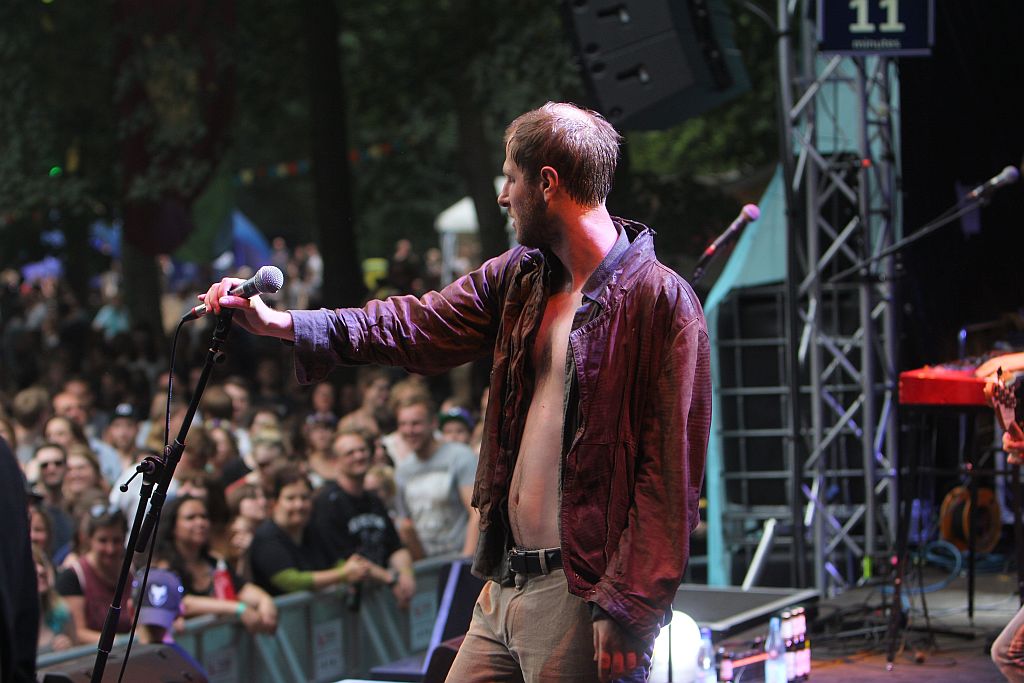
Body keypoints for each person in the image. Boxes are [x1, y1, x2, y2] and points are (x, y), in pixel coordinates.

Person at [199, 102, 711, 682]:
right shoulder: (521, 276)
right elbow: (415, 324)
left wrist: (628, 607)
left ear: (547, 183)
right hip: (504, 582)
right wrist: (285, 325)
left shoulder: (659, 302)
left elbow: (669, 479)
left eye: (510, 179)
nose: (503, 196)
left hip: (581, 593)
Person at [310, 429, 416, 606]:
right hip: (347, 603)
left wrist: (406, 573)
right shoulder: (327, 502)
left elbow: (395, 546)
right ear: (335, 461)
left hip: (382, 597)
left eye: (362, 450)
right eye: (350, 453)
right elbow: (345, 559)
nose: (359, 456)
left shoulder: (373, 499)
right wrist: (390, 580)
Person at [250, 464, 372, 596]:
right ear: (274, 503)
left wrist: (355, 568)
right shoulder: (265, 537)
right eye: (290, 498)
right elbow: (290, 580)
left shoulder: (314, 530)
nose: (299, 505)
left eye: (304, 498)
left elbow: (335, 560)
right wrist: (342, 574)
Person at [55, 505, 133, 644]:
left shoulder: (131, 573)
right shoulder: (74, 577)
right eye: (103, 540)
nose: (110, 549)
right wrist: (119, 642)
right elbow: (78, 632)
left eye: (116, 541)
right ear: (89, 540)